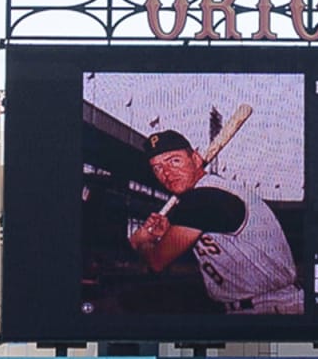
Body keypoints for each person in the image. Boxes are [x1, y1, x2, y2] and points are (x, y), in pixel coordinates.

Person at [128, 129, 302, 314]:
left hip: (270, 309)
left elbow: (156, 261)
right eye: (158, 168)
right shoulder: (214, 191)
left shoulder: (203, 198)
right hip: (271, 304)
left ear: (195, 159)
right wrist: (170, 232)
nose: (167, 173)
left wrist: (142, 242)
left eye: (174, 161)